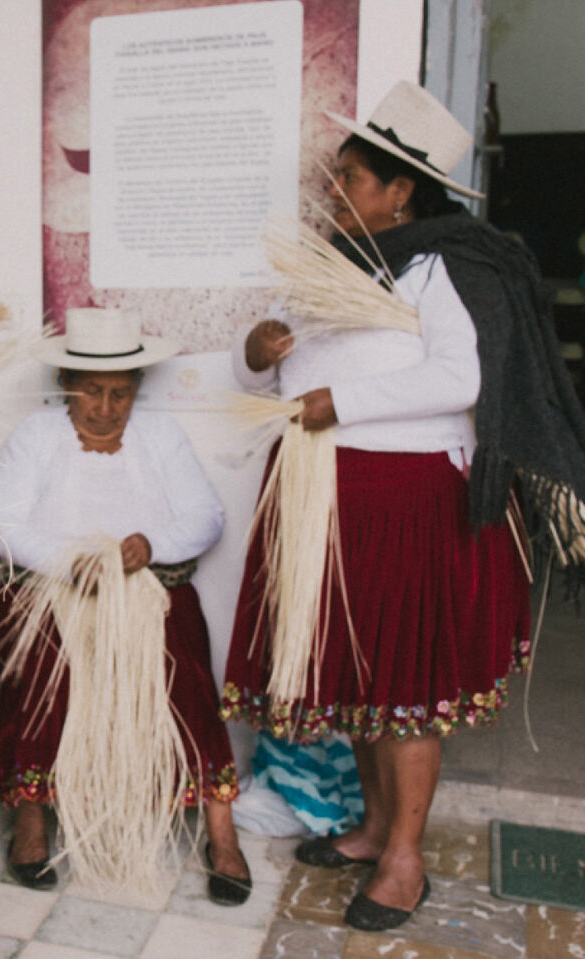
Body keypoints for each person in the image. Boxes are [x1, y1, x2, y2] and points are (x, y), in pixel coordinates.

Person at [222, 81, 585, 931]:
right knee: (358, 673)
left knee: (407, 683)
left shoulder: (450, 263)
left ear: (401, 190)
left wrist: (337, 404)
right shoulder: (335, 261)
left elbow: (463, 380)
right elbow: (269, 374)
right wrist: (256, 353)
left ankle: (405, 860)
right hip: (323, 495)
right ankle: (375, 826)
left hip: (408, 498)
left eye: (350, 176)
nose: (335, 189)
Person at [0, 308, 252, 902]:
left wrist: (150, 546)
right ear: (67, 385)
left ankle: (223, 833)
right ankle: (32, 820)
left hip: (144, 591)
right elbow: (0, 527)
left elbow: (206, 516)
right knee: (37, 671)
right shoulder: (36, 436)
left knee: (182, 674)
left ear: (137, 387)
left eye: (120, 393)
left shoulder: (160, 436)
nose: (107, 407)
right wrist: (70, 562)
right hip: (50, 590)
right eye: (93, 391)